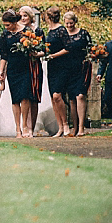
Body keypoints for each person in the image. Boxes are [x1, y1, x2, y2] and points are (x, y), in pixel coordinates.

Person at [46, 11, 92, 136]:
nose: (69, 25)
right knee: (71, 99)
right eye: (67, 23)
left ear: (75, 22)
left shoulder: (83, 33)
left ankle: (81, 127)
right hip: (68, 69)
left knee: (80, 96)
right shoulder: (63, 33)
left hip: (81, 67)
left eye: (71, 23)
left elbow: (91, 48)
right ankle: (74, 128)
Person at [0, 9, 37, 138]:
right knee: (15, 99)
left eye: (8, 25)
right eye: (5, 25)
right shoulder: (5, 34)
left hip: (26, 67)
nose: (6, 27)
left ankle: (25, 125)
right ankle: (17, 128)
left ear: (15, 21)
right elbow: (4, 55)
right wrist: (1, 72)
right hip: (12, 69)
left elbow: (35, 48)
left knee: (25, 96)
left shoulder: (27, 31)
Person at [43, 7, 71, 137]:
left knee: (57, 96)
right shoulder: (49, 30)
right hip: (52, 67)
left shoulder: (61, 30)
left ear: (49, 17)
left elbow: (68, 48)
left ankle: (66, 124)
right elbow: (47, 49)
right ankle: (59, 127)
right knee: (53, 98)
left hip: (62, 66)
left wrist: (53, 56)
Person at [19, 6, 45, 134]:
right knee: (24, 96)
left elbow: (44, 50)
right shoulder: (18, 30)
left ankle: (31, 128)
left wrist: (36, 54)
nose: (23, 18)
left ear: (30, 16)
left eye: (25, 16)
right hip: (22, 66)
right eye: (21, 16)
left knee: (34, 96)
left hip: (35, 66)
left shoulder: (38, 30)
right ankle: (23, 126)